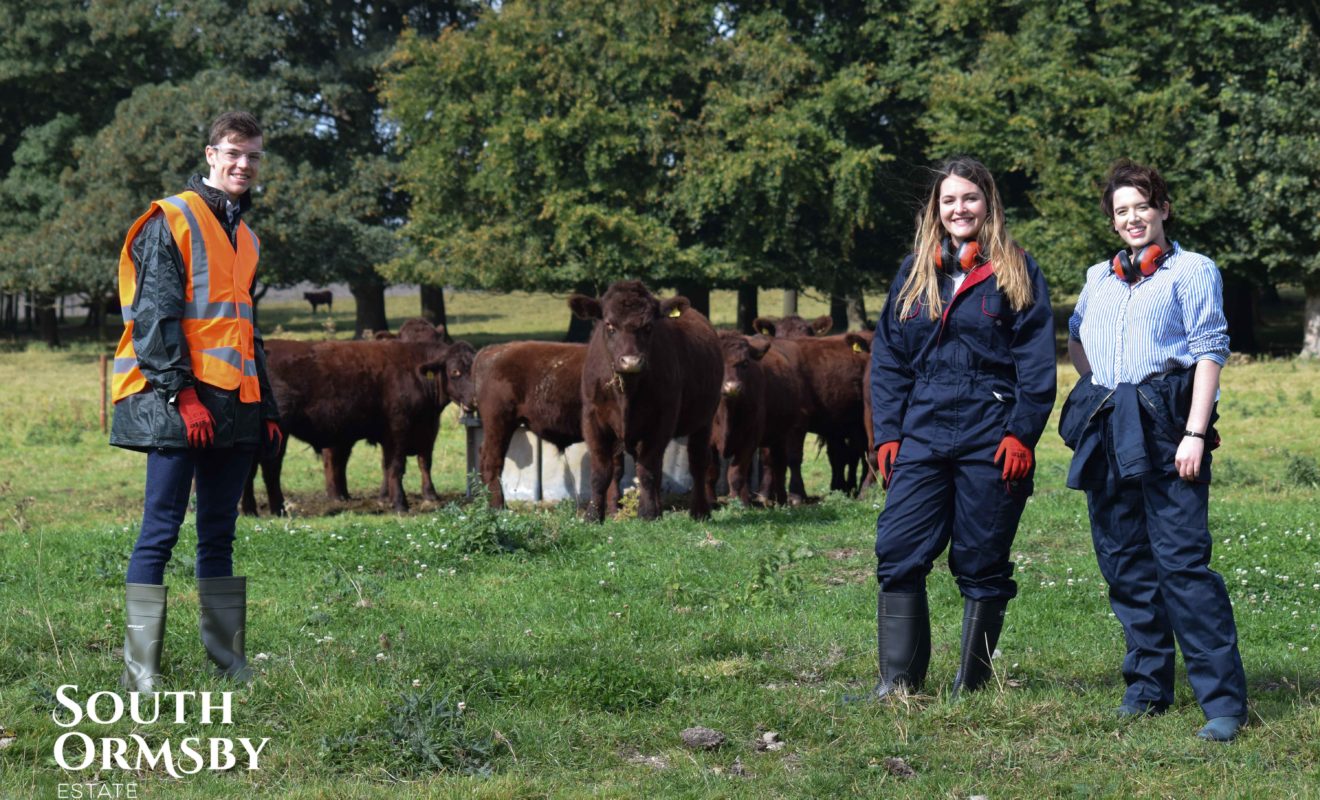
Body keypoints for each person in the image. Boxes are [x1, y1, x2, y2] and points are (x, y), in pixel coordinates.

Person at [1059, 159, 1248, 741]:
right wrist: (1099, 389)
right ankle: (1147, 687)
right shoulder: (1099, 278)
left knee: (1182, 566)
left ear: (1162, 209)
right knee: (1125, 566)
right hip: (1110, 427)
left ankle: (1222, 702)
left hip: (1168, 427)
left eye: (1142, 205)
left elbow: (1210, 350)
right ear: (1113, 223)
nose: (1133, 218)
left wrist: (1194, 432)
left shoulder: (1193, 271)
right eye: (1122, 211)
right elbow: (1076, 336)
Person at [867, 156, 1056, 700]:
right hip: (923, 429)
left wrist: (1022, 432)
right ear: (936, 209)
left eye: (969, 198)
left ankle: (969, 686)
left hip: (990, 432)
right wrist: (888, 436)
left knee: (980, 557)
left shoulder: (1017, 269)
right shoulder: (914, 271)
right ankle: (899, 682)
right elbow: (889, 360)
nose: (959, 209)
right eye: (949, 200)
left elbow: (1037, 363)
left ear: (988, 203)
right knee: (898, 548)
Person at [110, 111, 281, 691]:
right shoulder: (173, 219)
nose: (243, 164)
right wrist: (182, 397)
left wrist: (269, 408)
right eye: (233, 153)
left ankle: (227, 658)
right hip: (178, 400)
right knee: (159, 530)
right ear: (210, 155)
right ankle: (140, 671)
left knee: (219, 532)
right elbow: (156, 318)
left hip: (236, 405)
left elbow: (243, 328)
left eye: (254, 156)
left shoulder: (248, 237)